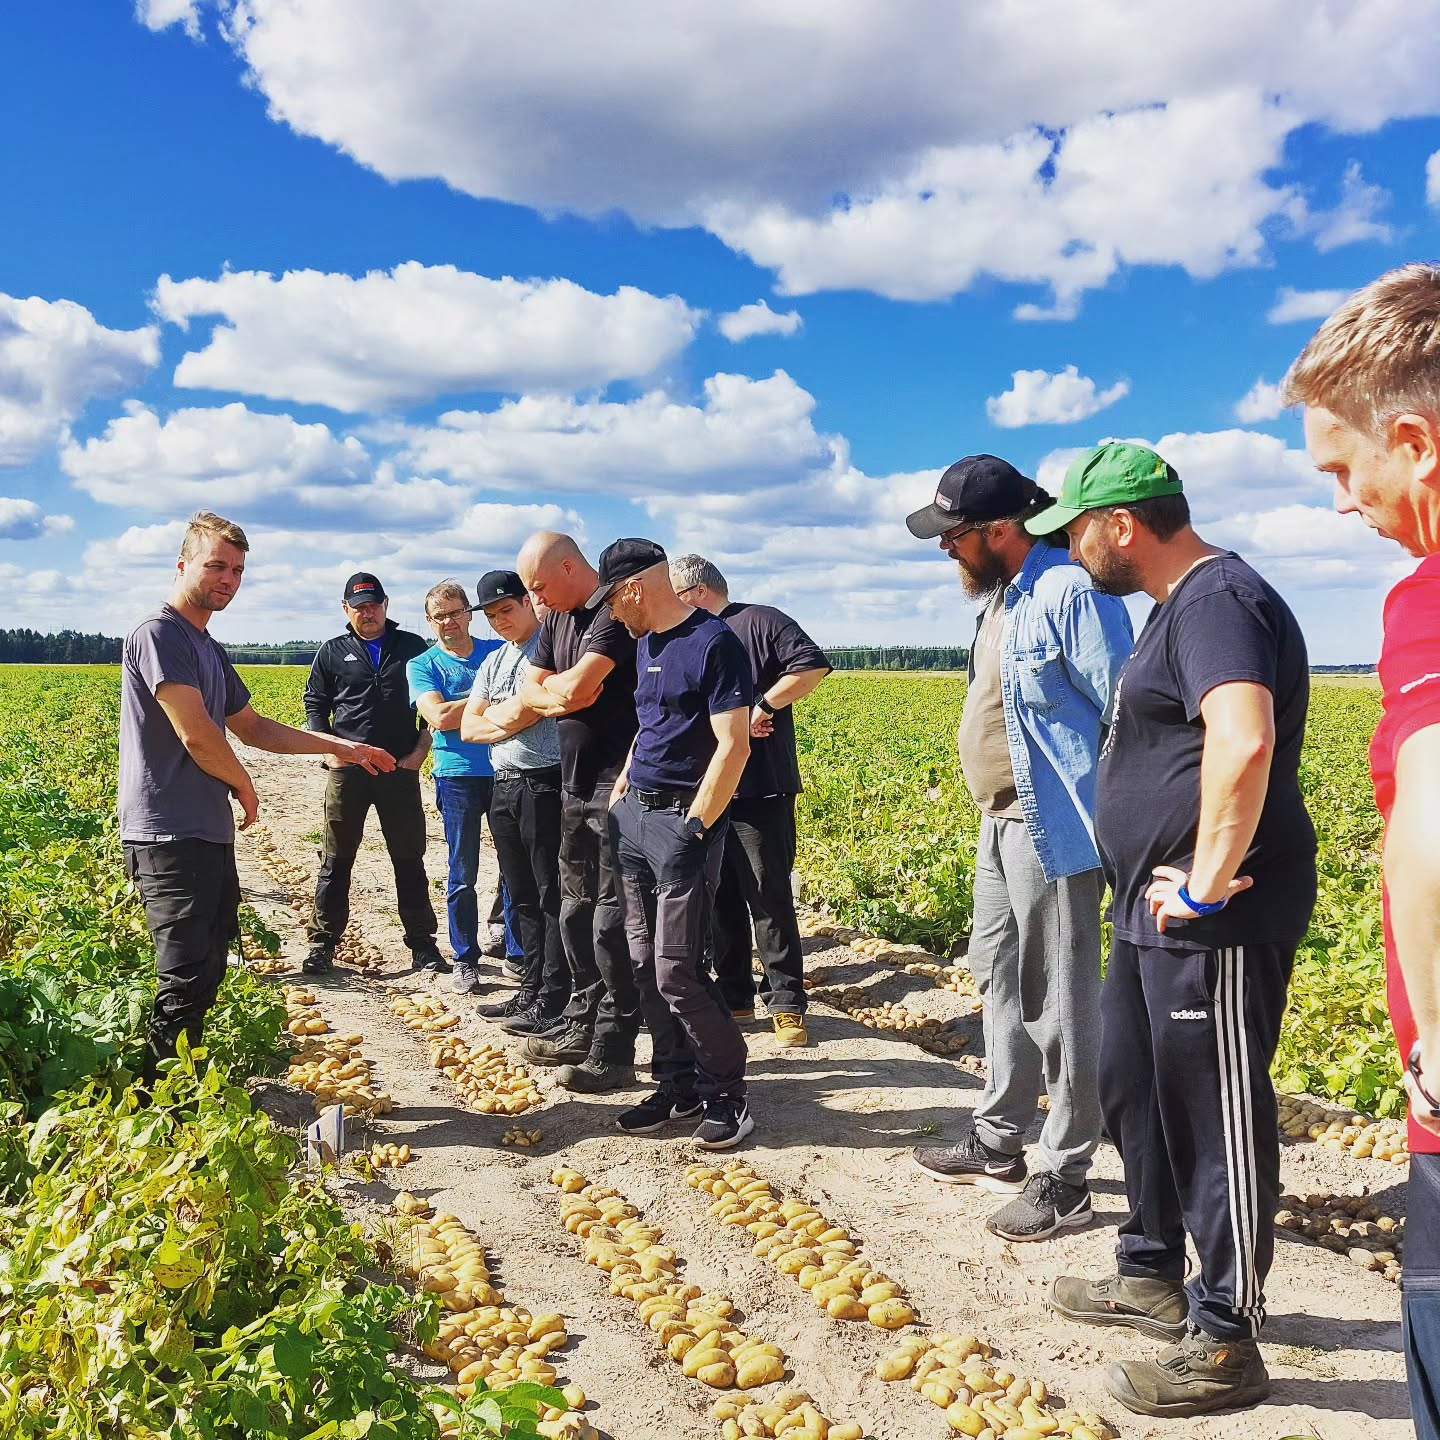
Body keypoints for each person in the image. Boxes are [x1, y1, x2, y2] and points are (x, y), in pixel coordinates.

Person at [1028, 442, 1316, 1417]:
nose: (1069, 551)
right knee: (1134, 1089)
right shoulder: (1172, 611)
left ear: (1121, 522)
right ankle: (1151, 1270)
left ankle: (1227, 1338)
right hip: (1148, 917)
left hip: (1216, 923)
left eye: (1073, 530)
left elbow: (1244, 733)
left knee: (1213, 1116)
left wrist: (1202, 880)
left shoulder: (1216, 601)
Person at [1284, 262, 1440, 1440]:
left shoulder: (1428, 598)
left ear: (1414, 440)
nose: (1345, 502)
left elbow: (1433, 808)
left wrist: (1435, 1040)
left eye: (1344, 469)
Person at [902, 456, 1133, 1242]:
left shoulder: (1068, 591)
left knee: (1061, 1001)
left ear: (1000, 530)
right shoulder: (1005, 595)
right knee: (998, 976)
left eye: (954, 536)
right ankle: (999, 1137)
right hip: (997, 823)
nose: (946, 551)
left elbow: (1127, 714)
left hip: (1053, 831)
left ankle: (1066, 1173)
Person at [119, 511, 396, 1079]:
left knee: (208, 962)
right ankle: (157, 1099)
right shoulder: (159, 634)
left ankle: (180, 1084)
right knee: (185, 971)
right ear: (182, 563)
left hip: (202, 827)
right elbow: (197, 734)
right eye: (216, 565)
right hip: (168, 828)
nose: (227, 579)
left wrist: (343, 747)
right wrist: (243, 785)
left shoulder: (207, 646)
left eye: (237, 570)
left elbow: (254, 728)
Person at [593, 538, 755, 1149]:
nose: (611, 614)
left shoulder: (714, 643)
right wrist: (624, 788)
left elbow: (733, 745)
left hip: (683, 826)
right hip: (634, 818)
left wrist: (696, 827)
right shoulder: (646, 644)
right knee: (641, 963)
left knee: (677, 970)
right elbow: (650, 722)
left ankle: (727, 1096)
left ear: (633, 587)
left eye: (613, 601)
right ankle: (676, 1085)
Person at [668, 554, 832, 1047]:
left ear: (695, 591)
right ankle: (735, 993)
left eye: (675, 596)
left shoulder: (760, 621)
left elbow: (812, 666)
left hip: (762, 786)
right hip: (708, 787)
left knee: (768, 894)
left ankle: (785, 1003)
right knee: (717, 896)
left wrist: (763, 705)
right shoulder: (686, 637)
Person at [515, 532, 643, 1092]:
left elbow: (583, 691)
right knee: (573, 909)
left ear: (570, 567)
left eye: (539, 585)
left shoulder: (610, 617)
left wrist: (560, 694)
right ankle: (580, 1020)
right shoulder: (557, 622)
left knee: (611, 919)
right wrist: (555, 695)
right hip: (572, 783)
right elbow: (532, 689)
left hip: (615, 785)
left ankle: (614, 1048)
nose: (535, 597)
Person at [304, 573, 443, 975]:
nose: (368, 612)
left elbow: (431, 703)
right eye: (359, 606)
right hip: (349, 770)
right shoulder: (333, 652)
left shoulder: (413, 648)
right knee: (336, 858)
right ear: (346, 609)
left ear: (386, 604)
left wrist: (420, 749)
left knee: (408, 857)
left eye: (374, 604)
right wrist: (331, 751)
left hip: (398, 769)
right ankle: (322, 944)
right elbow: (316, 703)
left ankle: (422, 945)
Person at [461, 570, 569, 1035]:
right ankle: (529, 988)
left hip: (545, 780)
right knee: (519, 892)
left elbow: (534, 709)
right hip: (503, 782)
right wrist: (511, 721)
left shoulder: (552, 648)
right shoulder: (495, 661)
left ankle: (555, 995)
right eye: (491, 615)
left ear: (529, 602)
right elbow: (468, 727)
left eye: (507, 609)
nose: (500, 620)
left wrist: (503, 720)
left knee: (551, 893)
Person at [406, 580, 503, 992]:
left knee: (516, 869)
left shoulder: (497, 652)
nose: (449, 622)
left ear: (469, 613)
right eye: (439, 616)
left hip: (504, 769)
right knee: (462, 870)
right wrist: (490, 693)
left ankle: (515, 950)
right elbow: (440, 718)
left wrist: (458, 703)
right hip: (456, 773)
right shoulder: (422, 665)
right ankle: (466, 957)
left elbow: (449, 710)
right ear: (430, 622)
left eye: (455, 612)